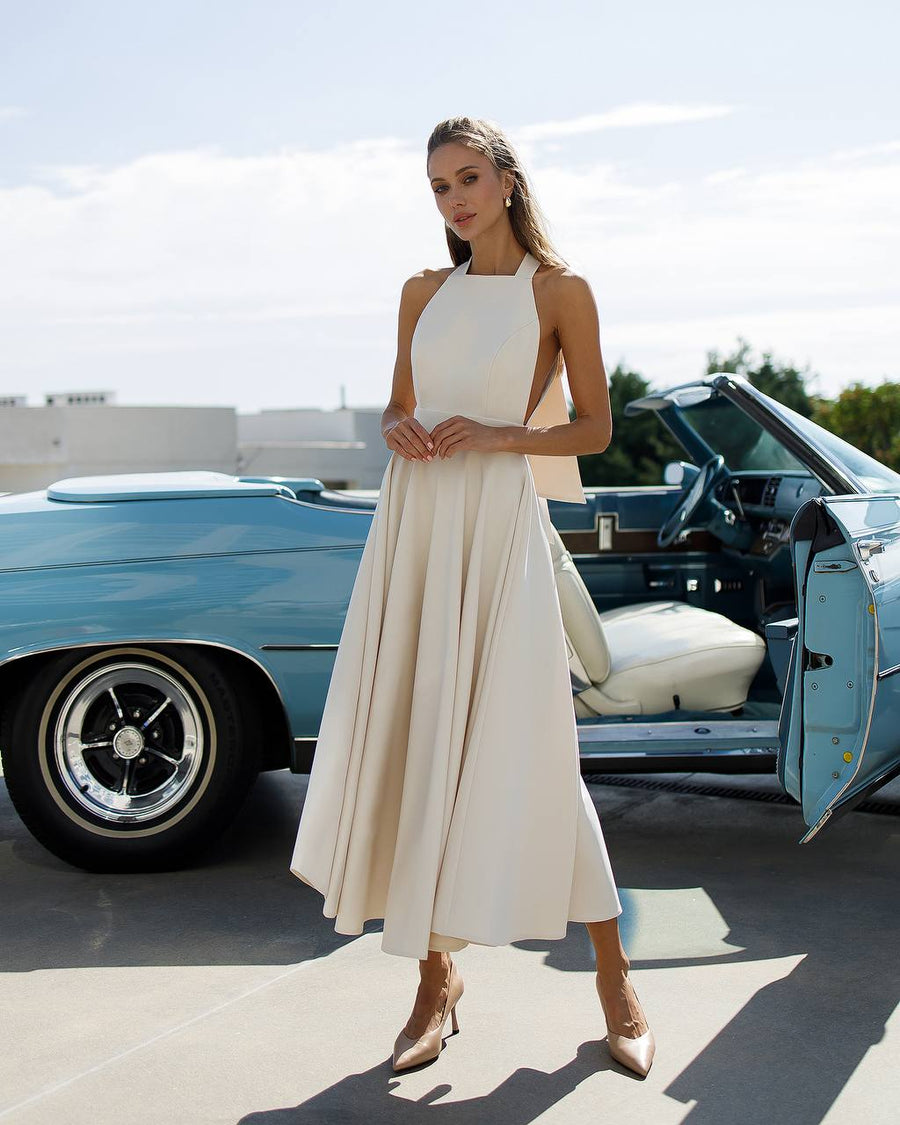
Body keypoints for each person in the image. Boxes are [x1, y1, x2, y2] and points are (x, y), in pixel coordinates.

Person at [290, 114, 655, 1078]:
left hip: (497, 527)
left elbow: (593, 429)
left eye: (466, 179)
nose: (453, 201)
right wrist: (400, 429)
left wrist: (497, 437)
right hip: (417, 525)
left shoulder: (561, 290)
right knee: (424, 739)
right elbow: (398, 404)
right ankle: (435, 981)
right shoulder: (419, 290)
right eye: (438, 188)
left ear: (504, 180)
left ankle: (615, 976)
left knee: (531, 743)